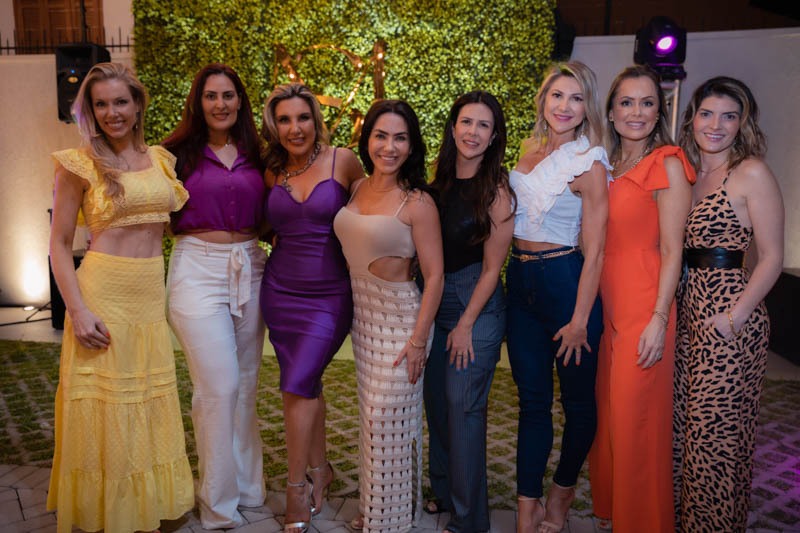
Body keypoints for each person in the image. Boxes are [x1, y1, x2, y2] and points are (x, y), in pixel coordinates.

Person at [46, 62, 194, 533]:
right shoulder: (77, 164)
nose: (112, 113)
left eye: (120, 102)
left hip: (148, 294)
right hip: (102, 294)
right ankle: (108, 512)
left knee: (146, 401)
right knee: (106, 407)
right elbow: (57, 244)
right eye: (101, 104)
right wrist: (78, 311)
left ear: (138, 105)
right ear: (90, 111)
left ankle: (145, 505)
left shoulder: (161, 160)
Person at [586, 65, 694, 533]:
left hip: (644, 310)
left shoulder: (667, 162)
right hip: (606, 309)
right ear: (610, 112)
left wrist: (659, 318)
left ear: (659, 112)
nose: (636, 112)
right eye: (626, 102)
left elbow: (673, 250)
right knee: (610, 421)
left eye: (647, 103)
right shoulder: (607, 165)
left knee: (637, 428)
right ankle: (616, 514)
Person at [673, 76, 783, 533]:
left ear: (742, 124)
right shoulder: (688, 173)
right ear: (692, 118)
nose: (715, 125)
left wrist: (734, 318)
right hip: (688, 315)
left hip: (729, 318)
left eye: (729, 116)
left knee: (714, 442)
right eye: (707, 113)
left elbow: (773, 257)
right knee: (685, 434)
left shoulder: (750, 172)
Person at [162, 63, 267, 529]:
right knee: (218, 386)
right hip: (197, 270)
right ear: (198, 102)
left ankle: (247, 487)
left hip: (251, 265)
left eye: (228, 95)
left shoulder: (258, 153)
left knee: (245, 382)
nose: (220, 104)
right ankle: (217, 503)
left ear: (240, 101)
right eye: (211, 96)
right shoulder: (173, 154)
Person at [505, 61, 609, 533]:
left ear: (588, 107)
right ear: (543, 100)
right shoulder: (527, 149)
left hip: (566, 283)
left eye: (577, 98)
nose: (565, 106)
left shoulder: (590, 162)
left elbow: (596, 250)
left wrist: (581, 318)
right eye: (557, 95)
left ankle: (562, 493)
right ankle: (527, 505)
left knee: (578, 404)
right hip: (520, 284)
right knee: (532, 403)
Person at [333, 99, 444, 533]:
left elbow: (434, 276)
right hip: (365, 323)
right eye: (381, 135)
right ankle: (378, 510)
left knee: (386, 418)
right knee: (371, 420)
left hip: (402, 325)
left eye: (400, 138)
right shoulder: (355, 187)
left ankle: (388, 520)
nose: (389, 146)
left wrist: (418, 341)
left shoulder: (418, 202)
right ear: (368, 140)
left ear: (411, 146)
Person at [259, 82, 364, 533]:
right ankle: (321, 471)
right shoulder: (272, 171)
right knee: (304, 385)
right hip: (280, 291)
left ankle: (296, 487)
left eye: (303, 117)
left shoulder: (344, 160)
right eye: (284, 120)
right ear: (274, 125)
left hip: (329, 295)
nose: (295, 128)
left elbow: (372, 211)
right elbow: (265, 225)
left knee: (297, 384)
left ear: (316, 119)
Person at [422, 91, 515, 533]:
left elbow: (493, 268)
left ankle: (470, 521)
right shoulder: (436, 182)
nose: (473, 132)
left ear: (494, 136)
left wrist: (464, 324)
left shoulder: (497, 191)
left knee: (463, 410)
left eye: (483, 125)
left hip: (476, 304)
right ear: (453, 126)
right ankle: (444, 492)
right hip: (435, 301)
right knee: (438, 405)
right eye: (466, 122)